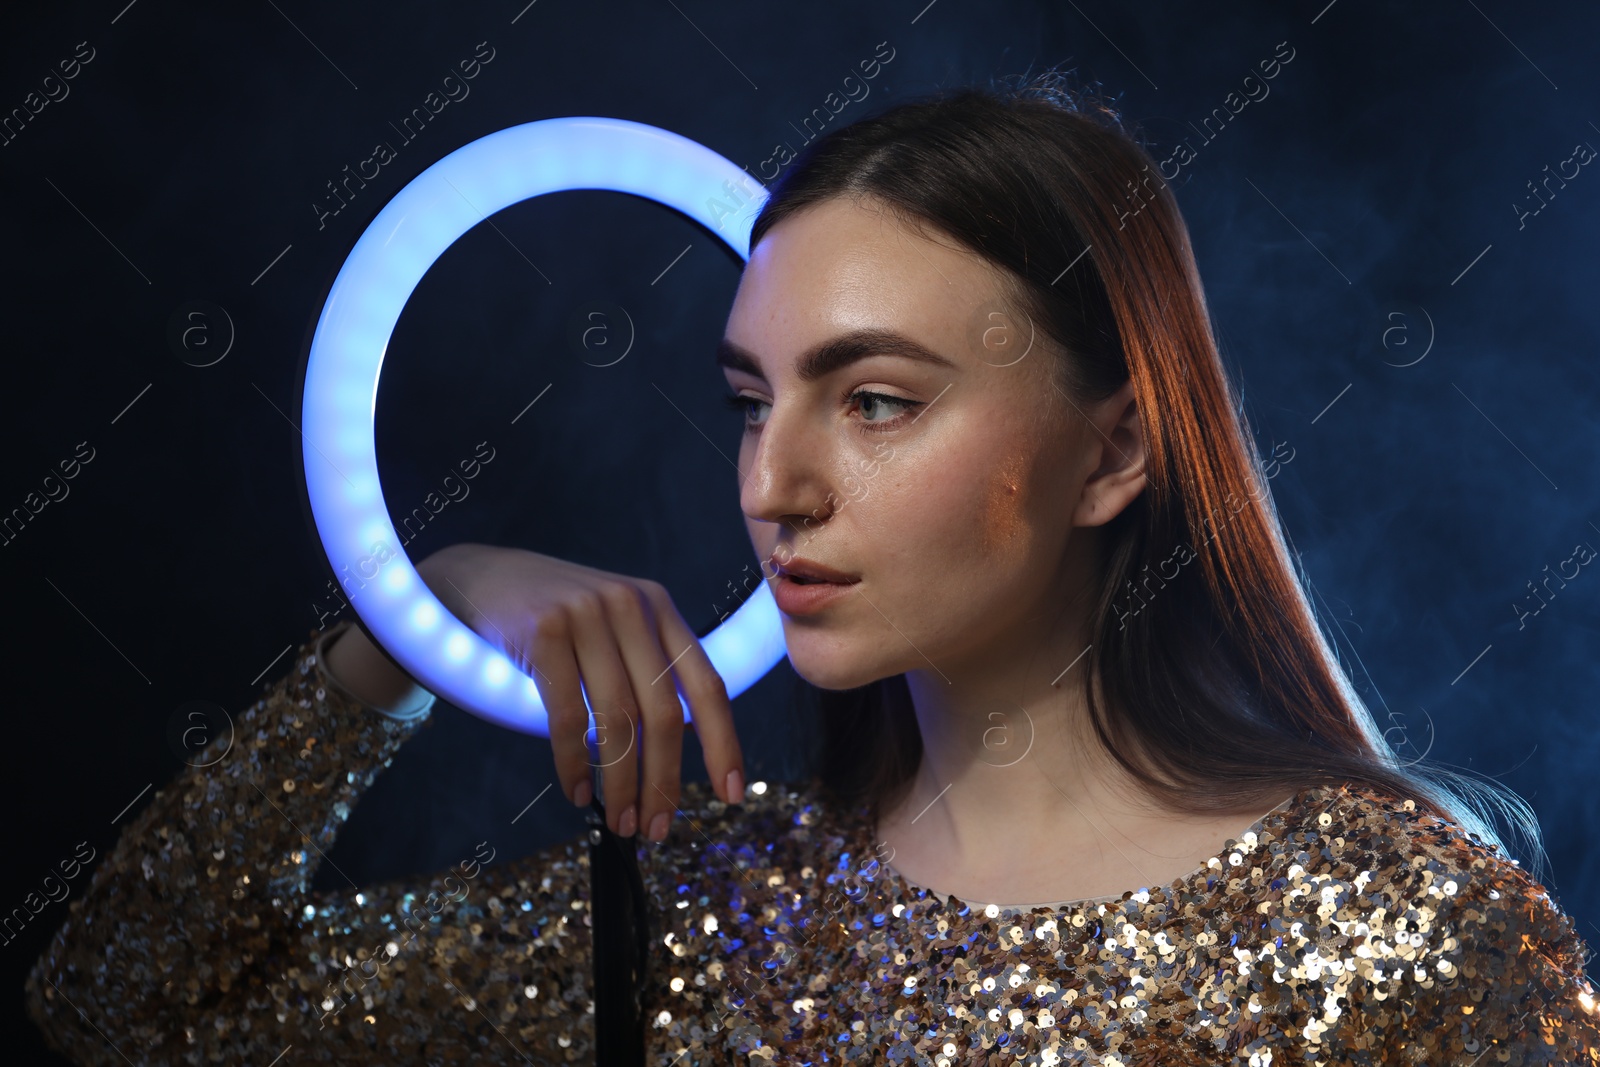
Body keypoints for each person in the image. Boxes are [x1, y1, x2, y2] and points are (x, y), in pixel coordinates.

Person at [25, 72, 1600, 1066]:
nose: (772, 486)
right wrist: (406, 616)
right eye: (747, 402)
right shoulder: (706, 917)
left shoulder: (1407, 920)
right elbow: (129, 1002)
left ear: (1114, 454)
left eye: (875, 402)